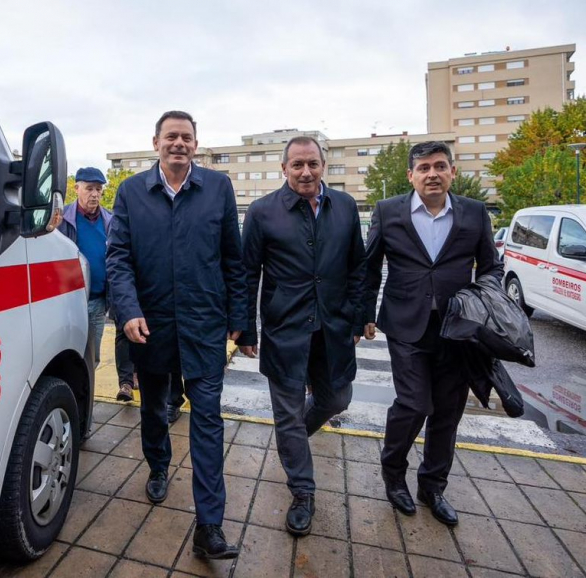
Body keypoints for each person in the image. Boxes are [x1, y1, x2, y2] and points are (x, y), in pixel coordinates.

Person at [107, 111, 247, 559]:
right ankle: (158, 464)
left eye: (187, 137)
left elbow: (233, 257)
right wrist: (127, 311)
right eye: (172, 137)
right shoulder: (131, 192)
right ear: (156, 143)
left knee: (208, 422)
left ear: (196, 144)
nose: (179, 144)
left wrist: (238, 316)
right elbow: (119, 259)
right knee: (154, 410)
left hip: (204, 328)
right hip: (151, 329)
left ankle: (210, 526)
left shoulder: (218, 188)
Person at [363, 141, 503, 527]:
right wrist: (364, 314)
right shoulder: (388, 211)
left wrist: (483, 304)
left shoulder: (474, 213)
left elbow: (491, 267)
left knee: (447, 412)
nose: (432, 174)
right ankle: (394, 474)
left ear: (452, 172)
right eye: (423, 168)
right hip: (406, 325)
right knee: (413, 404)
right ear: (411, 175)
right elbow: (370, 267)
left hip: (458, 332)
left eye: (440, 166)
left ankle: (433, 485)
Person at [237, 136, 366, 537]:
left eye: (312, 163)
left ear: (324, 165)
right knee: (288, 413)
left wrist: (361, 316)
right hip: (285, 329)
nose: (305, 172)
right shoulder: (262, 212)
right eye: (297, 165)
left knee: (336, 398)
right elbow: (247, 274)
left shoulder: (344, 206)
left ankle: (292, 440)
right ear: (284, 169)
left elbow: (358, 266)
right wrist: (246, 328)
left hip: (333, 328)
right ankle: (302, 491)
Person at [59, 167, 112, 367]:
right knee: (67, 355)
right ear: (76, 188)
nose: (95, 194)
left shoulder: (109, 220)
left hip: (97, 300)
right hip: (68, 302)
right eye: (89, 188)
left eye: (98, 189)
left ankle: (86, 398)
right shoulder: (61, 218)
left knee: (92, 358)